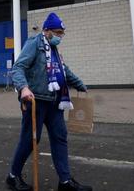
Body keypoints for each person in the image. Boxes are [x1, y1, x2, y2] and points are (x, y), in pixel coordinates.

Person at [6, 12, 92, 191]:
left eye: (62, 33)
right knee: (30, 140)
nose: (60, 36)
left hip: (55, 101)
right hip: (35, 100)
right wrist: (23, 88)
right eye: (58, 32)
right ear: (47, 31)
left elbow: (64, 70)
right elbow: (18, 68)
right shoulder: (34, 44)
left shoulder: (54, 49)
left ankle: (65, 181)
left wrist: (80, 84)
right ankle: (13, 176)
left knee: (60, 138)